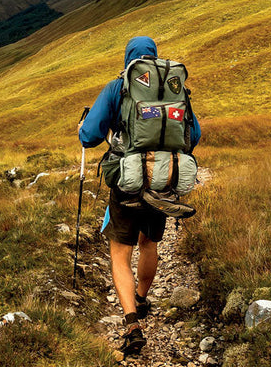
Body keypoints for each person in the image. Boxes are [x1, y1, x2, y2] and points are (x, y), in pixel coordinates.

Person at [77, 36, 202, 356]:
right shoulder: (175, 88)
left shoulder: (118, 87)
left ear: (128, 59)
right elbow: (194, 135)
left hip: (126, 182)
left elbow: (90, 136)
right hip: (161, 182)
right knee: (150, 243)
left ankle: (132, 322)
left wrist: (84, 128)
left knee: (120, 253)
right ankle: (143, 298)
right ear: (155, 58)